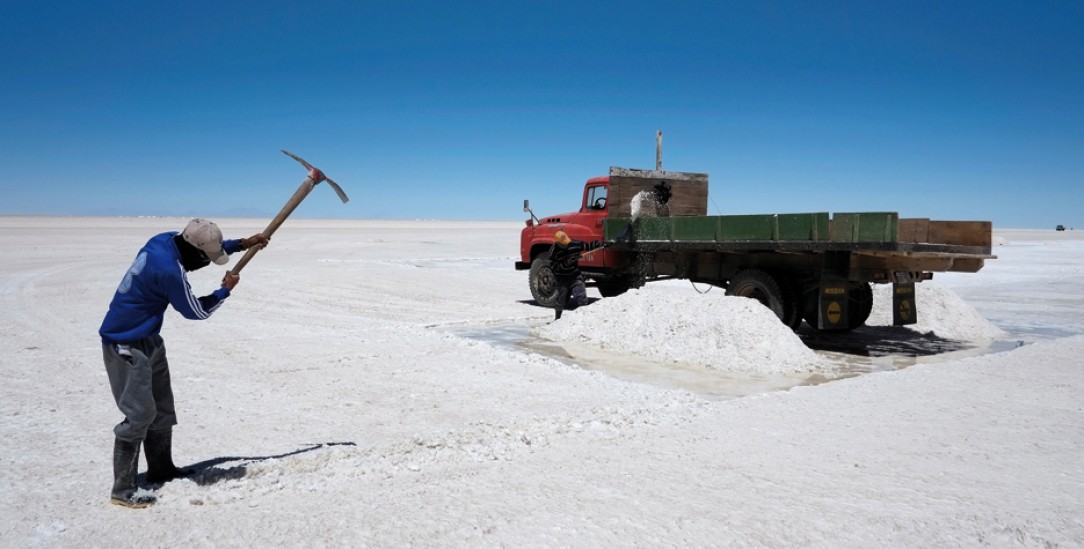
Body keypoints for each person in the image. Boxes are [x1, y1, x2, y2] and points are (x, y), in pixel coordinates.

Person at [98, 218, 268, 508]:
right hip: (124, 343)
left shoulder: (164, 241)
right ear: (194, 250)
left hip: (148, 337)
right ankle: (123, 490)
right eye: (207, 256)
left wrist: (241, 245)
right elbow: (196, 312)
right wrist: (224, 291)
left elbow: (194, 256)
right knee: (139, 414)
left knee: (162, 408)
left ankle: (161, 469)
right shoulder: (169, 272)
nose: (206, 261)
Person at [549, 230, 603, 320]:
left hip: (575, 275)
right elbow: (554, 268)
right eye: (564, 244)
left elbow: (587, 246)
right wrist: (565, 263)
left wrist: (598, 244)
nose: (567, 245)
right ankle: (557, 318)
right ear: (558, 243)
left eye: (567, 242)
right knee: (561, 298)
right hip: (562, 277)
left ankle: (583, 318)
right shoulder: (554, 252)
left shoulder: (574, 244)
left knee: (581, 295)